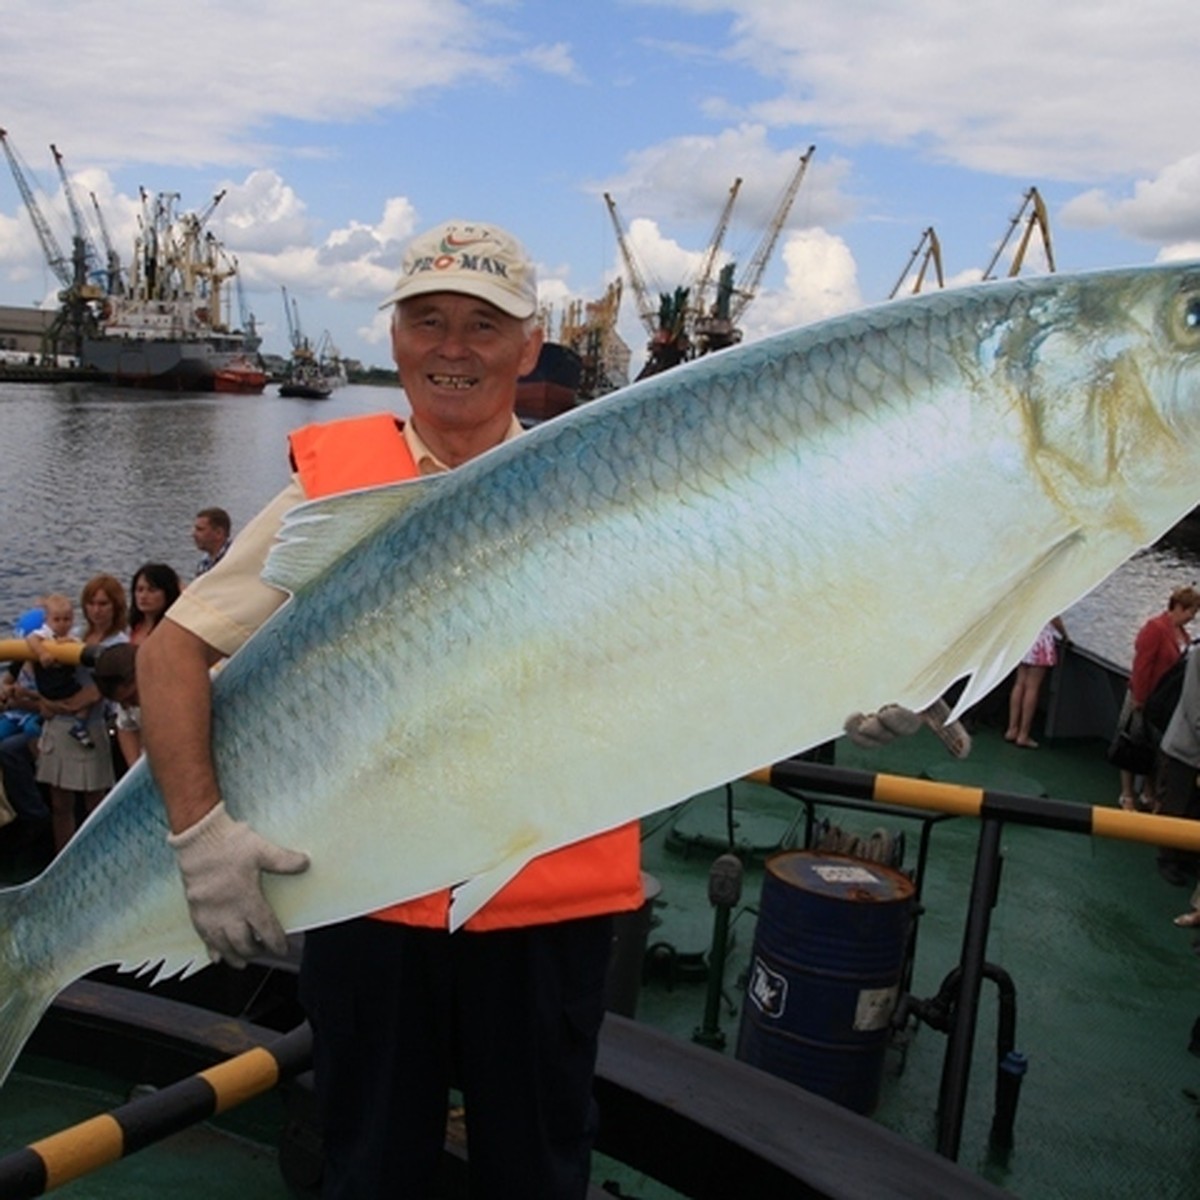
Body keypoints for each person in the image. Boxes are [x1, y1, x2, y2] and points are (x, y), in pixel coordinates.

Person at [138, 219, 644, 1198]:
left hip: (546, 913)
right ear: (397, 339)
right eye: (428, 321)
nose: (453, 348)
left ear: (528, 346)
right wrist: (202, 838)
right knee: (368, 1168)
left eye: (482, 325)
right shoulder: (329, 496)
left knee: (536, 1173)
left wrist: (858, 675)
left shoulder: (601, 487)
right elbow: (173, 653)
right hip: (370, 909)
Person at [1117, 585, 1200, 811]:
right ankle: (1127, 794)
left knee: (1153, 748)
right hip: (1143, 696)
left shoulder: (1184, 636)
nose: (1193, 616)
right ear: (1179, 607)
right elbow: (1142, 665)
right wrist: (1139, 698)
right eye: (1191, 610)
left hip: (1161, 703)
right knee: (1131, 743)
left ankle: (1147, 791)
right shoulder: (1155, 628)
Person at [26, 594, 94, 748]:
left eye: (67, 619)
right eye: (57, 620)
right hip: (50, 682)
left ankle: (79, 724)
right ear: (47, 620)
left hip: (63, 682)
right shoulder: (45, 633)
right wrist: (43, 653)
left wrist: (69, 643)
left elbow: (80, 647)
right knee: (86, 696)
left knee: (86, 698)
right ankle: (79, 726)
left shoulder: (72, 637)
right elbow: (31, 639)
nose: (62, 624)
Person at [1005, 616, 1068, 749]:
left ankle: (1012, 729)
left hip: (1024, 636)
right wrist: (1065, 634)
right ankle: (1023, 734)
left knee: (1019, 683)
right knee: (1032, 687)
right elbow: (1054, 618)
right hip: (1040, 640)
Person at [129, 562, 182, 645]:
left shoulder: (173, 631)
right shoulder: (136, 626)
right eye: (140, 590)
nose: (143, 596)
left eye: (152, 590)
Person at [192, 507, 232, 577]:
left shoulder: (234, 557)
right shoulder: (204, 562)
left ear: (219, 533)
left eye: (200, 529)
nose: (193, 534)